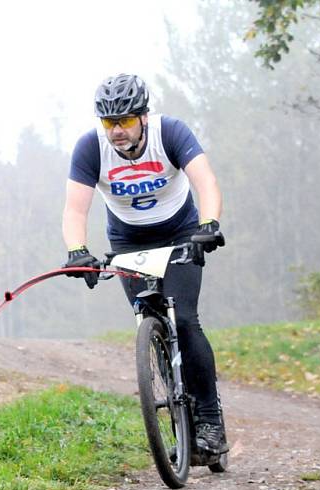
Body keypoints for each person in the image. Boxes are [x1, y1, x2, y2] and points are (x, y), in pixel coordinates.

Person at [61, 73, 228, 454]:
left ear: (144, 118)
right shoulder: (90, 148)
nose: (116, 131)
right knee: (149, 318)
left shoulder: (170, 133)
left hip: (181, 233)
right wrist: (77, 250)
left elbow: (206, 182)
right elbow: (75, 208)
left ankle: (210, 422)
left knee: (184, 320)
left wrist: (209, 225)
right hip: (128, 240)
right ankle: (177, 417)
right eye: (109, 122)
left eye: (125, 121)